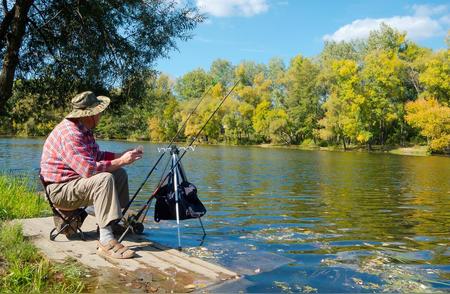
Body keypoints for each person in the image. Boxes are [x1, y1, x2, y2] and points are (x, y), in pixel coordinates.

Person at [40, 91, 143, 259]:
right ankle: (106, 241)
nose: (101, 115)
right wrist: (122, 160)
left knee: (120, 174)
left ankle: (113, 223)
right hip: (59, 192)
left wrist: (121, 155)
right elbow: (89, 170)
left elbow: (97, 156)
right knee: (104, 179)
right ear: (91, 114)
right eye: (99, 112)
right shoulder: (70, 134)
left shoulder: (83, 129)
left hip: (73, 184)